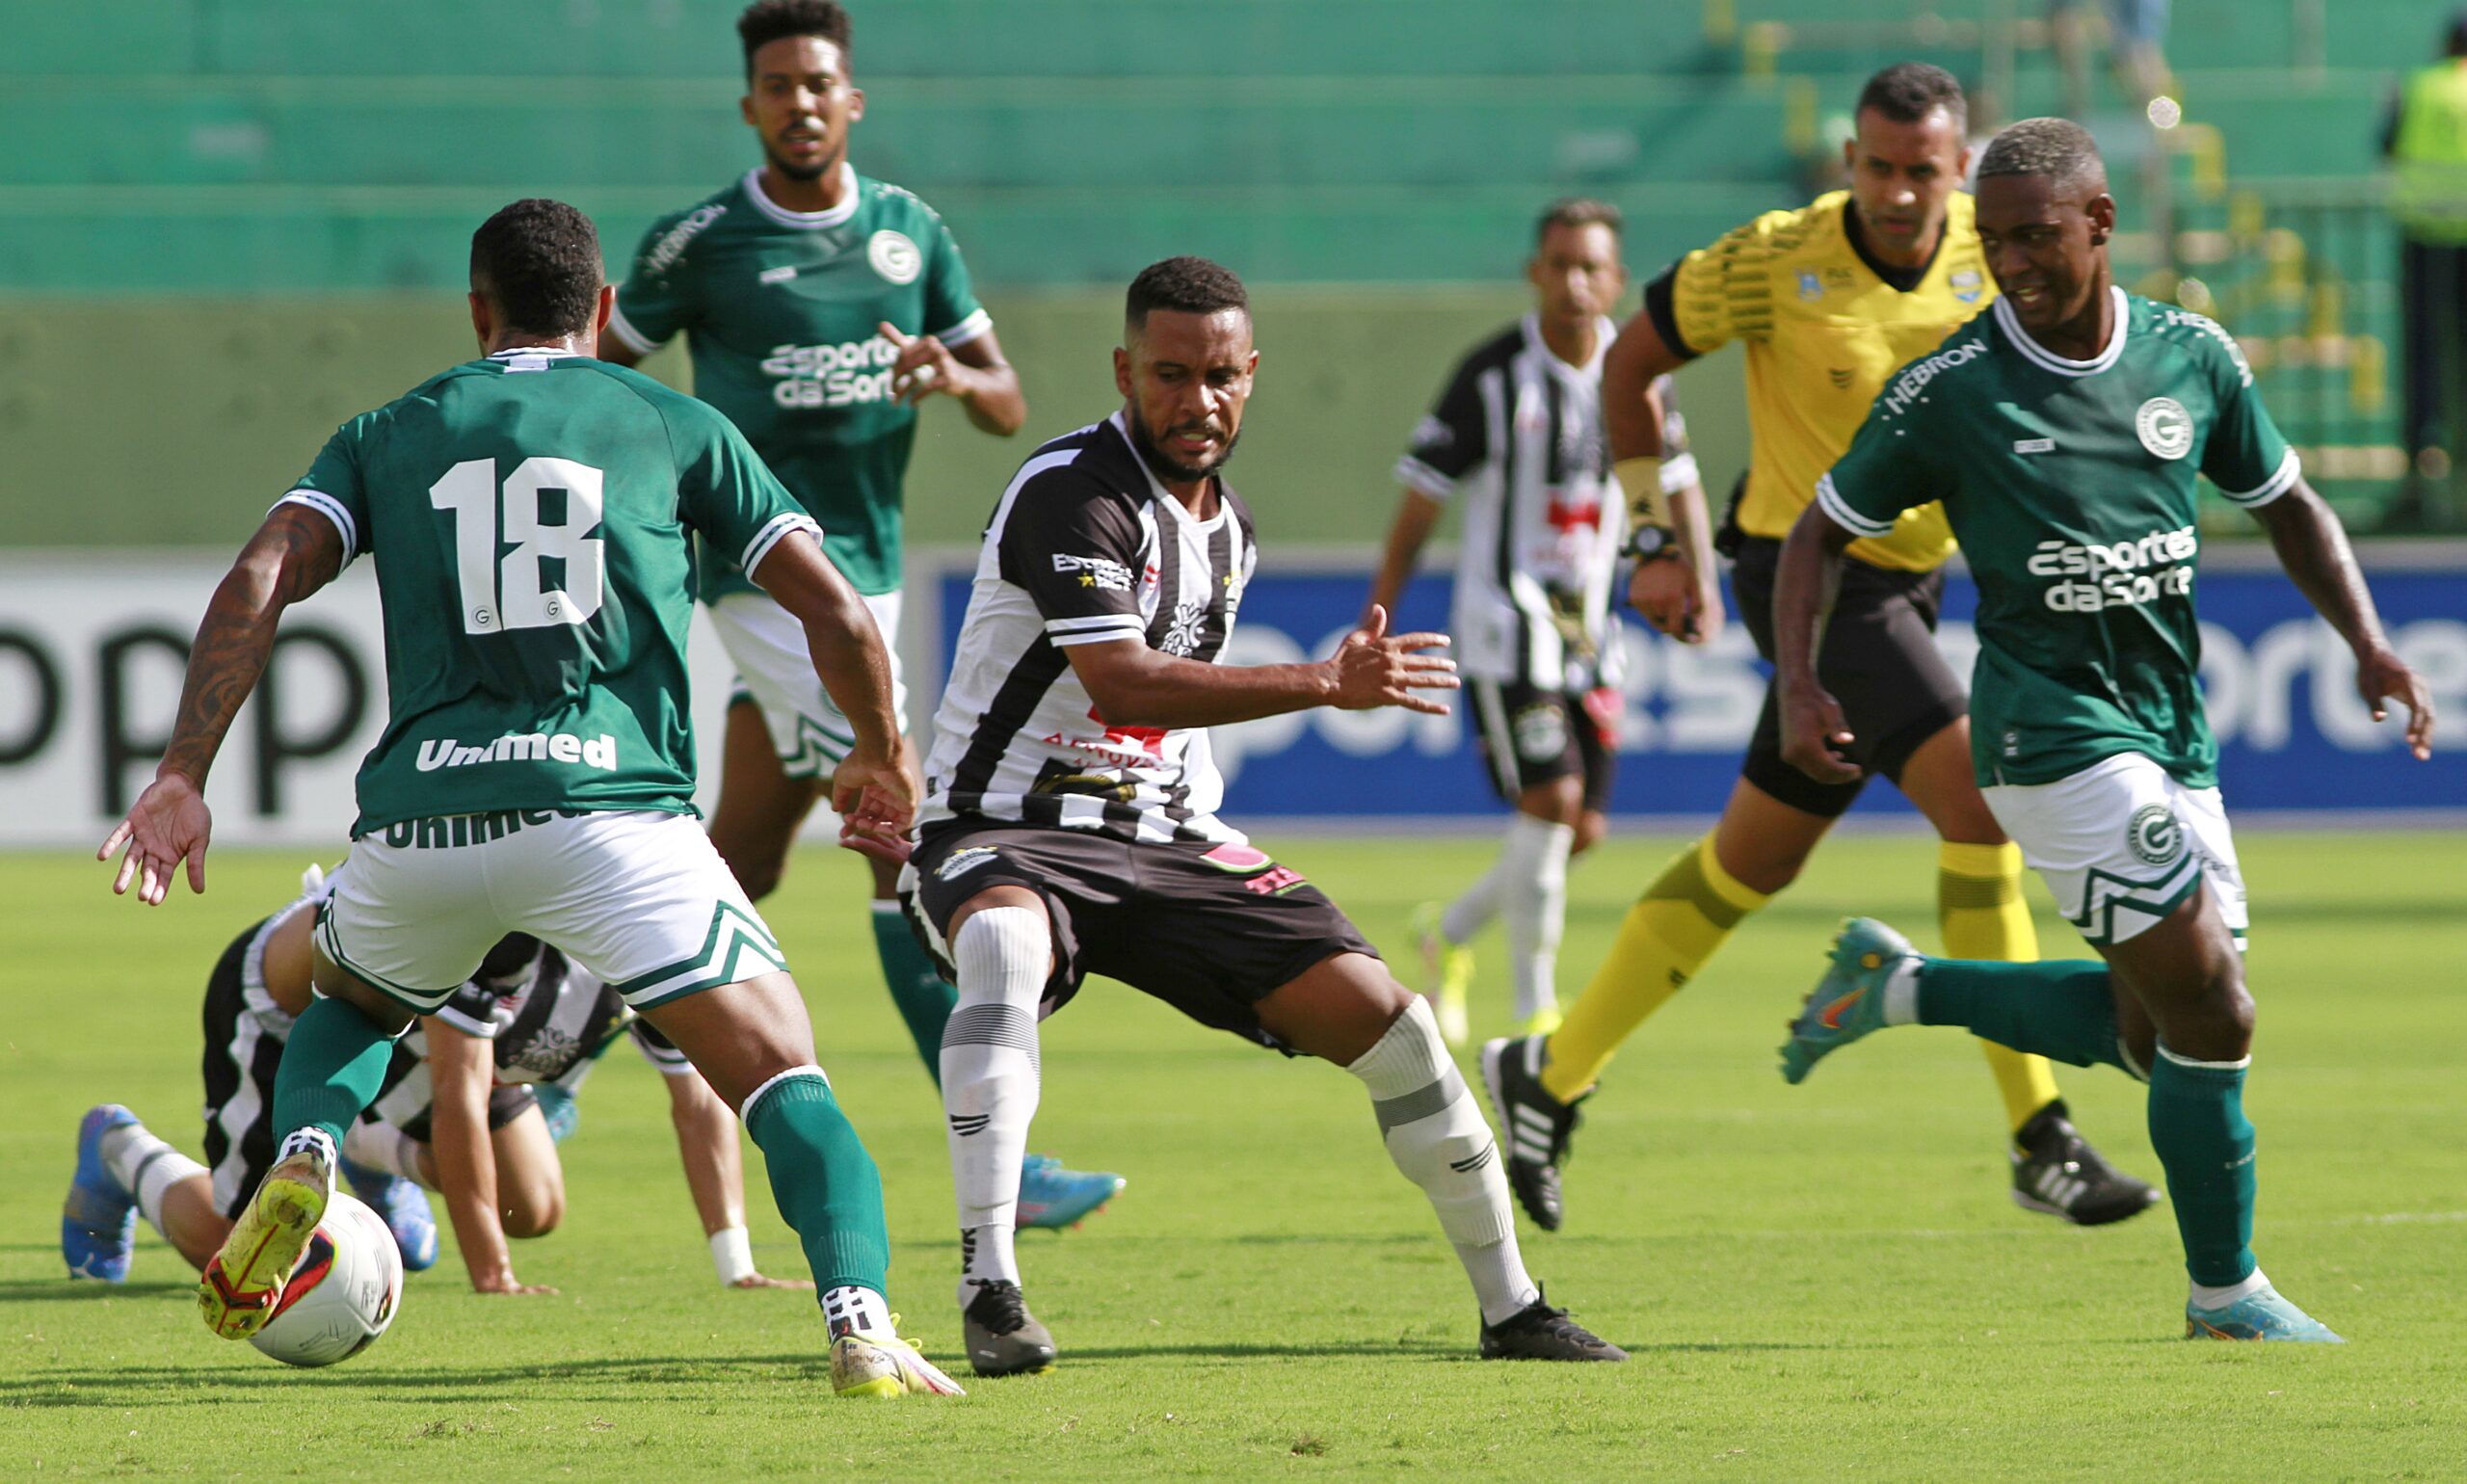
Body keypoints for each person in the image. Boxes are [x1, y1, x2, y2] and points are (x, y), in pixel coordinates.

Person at [98, 198, 960, 1397]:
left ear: (476, 310)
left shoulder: (390, 429)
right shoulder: (670, 419)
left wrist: (182, 773)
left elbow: (261, 572)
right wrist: (882, 753)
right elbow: (831, 603)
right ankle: (860, 1323)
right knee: (778, 1072)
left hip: (425, 826)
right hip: (611, 814)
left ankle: (306, 1149)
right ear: (604, 310)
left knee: (348, 1001)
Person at [1773, 118, 2436, 1341]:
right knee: (2218, 1013)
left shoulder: (2191, 356)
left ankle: (1900, 987)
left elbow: (2286, 504)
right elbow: (1817, 529)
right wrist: (1801, 683)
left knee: (2156, 1036)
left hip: (2169, 725)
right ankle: (2225, 1294)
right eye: (1994, 240)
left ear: (2099, 224)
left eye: (2034, 236)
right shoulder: (1954, 388)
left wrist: (2367, 638)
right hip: (2047, 731)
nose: (2012, 261)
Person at [902, 255, 1623, 1378]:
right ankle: (990, 1287)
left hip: (1163, 835)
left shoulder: (1228, 529)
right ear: (1123, 369)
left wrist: (1211, 826)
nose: (1199, 403)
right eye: (1172, 375)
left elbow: (1160, 725)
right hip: (1006, 824)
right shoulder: (1070, 489)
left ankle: (1513, 1306)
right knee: (1000, 941)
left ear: (1252, 376)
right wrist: (1323, 683)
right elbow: (1127, 686)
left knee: (1397, 1026)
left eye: (1223, 377)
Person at [1484, 62, 2157, 1233]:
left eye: (1923, 171)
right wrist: (1652, 533)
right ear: (1850, 161)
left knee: (1752, 859)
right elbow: (1628, 367)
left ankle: (1547, 1073)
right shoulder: (1770, 258)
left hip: (1924, 585)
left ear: (1960, 166)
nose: (1899, 193)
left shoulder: (1994, 254)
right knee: (1977, 811)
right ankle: (2037, 1134)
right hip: (1809, 583)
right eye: (1878, 167)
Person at [596, 0, 1121, 1230]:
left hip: (865, 581)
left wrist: (951, 372)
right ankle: (996, 1154)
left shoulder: (907, 234)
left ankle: (551, 1045)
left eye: (818, 82)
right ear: (749, 106)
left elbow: (1006, 402)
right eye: (776, 85)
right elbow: (597, 370)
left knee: (741, 857)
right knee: (913, 826)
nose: (799, 103)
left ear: (853, 99)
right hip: (765, 584)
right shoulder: (700, 244)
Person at [63, 866, 811, 1294]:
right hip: (295, 1015)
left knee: (534, 1205)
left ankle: (366, 1150)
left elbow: (698, 1106)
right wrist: (493, 1276)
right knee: (253, 1263)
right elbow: (457, 1094)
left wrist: (736, 1266)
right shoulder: (508, 930)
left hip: (423, 1042)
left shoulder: (653, 950)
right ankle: (119, 1149)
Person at [1366, 199, 1705, 1048]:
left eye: (1592, 267)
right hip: (1502, 626)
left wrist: (1703, 579)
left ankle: (1449, 934)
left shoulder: (1643, 376)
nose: (1574, 282)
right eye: (1559, 264)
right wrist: (1379, 614)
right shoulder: (1491, 375)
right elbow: (1420, 504)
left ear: (1617, 280)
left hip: (1594, 636)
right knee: (1550, 801)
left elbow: (1680, 478)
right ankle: (1535, 1013)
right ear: (1534, 272)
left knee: (1578, 830)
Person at [2381, 11, 2467, 521]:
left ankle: (2419, 473)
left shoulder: (2418, 86)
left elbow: (2388, 145)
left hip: (2425, 240)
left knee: (2423, 361)